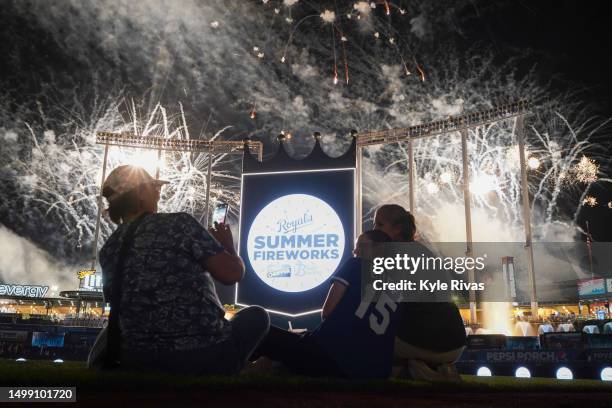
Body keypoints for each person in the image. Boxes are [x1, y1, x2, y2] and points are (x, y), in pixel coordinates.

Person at [88, 165, 269, 374]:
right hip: (201, 354)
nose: (158, 193)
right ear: (139, 193)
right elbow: (232, 274)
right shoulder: (178, 224)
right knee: (256, 316)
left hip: (137, 360)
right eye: (153, 188)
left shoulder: (108, 248)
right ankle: (237, 368)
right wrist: (228, 246)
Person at [252, 230, 401, 379]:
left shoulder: (356, 265)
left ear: (381, 249)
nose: (356, 251)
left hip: (331, 357)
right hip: (374, 372)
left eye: (362, 246)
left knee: (256, 326)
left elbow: (327, 312)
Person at [374, 204, 467, 380]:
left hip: (420, 342)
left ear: (397, 229)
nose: (375, 230)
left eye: (379, 224)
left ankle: (409, 370)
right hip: (455, 345)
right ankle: (436, 367)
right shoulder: (426, 253)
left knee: (367, 333)